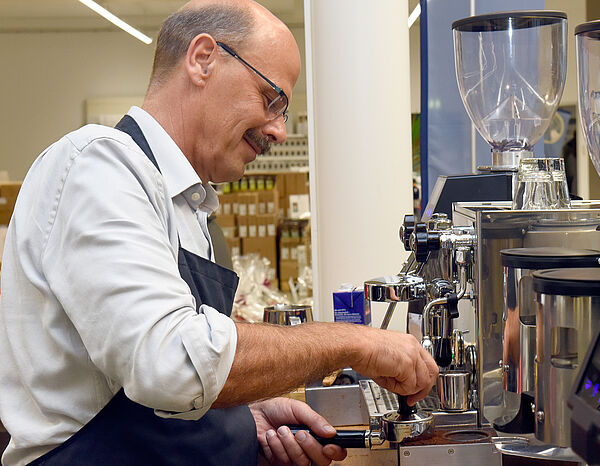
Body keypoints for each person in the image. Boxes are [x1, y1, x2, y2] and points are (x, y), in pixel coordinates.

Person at [0, 0, 438, 465]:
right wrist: (354, 343)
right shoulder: (100, 166)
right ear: (203, 59)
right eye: (272, 101)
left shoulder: (190, 206)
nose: (279, 131)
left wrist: (244, 416)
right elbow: (170, 364)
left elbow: (173, 381)